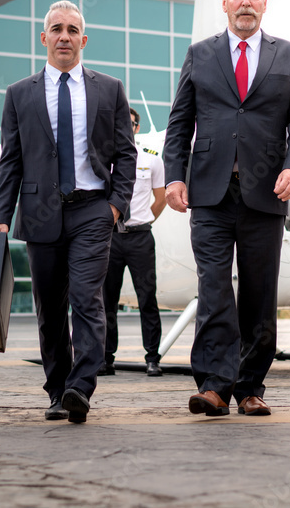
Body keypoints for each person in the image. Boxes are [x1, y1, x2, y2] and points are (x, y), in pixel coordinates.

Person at [164, 0, 290, 417]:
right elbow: (179, 122)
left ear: (264, 3)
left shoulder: (289, 55)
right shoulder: (199, 54)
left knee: (258, 293)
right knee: (213, 289)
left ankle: (251, 387)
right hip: (209, 193)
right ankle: (213, 385)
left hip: (266, 193)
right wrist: (175, 176)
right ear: (225, 2)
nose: (245, 1)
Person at [0, 0, 137, 424]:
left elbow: (125, 155)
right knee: (49, 309)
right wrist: (2, 215)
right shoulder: (19, 94)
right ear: (44, 38)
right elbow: (11, 161)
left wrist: (115, 206)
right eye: (57, 29)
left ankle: (80, 387)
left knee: (87, 299)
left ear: (83, 40)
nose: (65, 37)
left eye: (73, 30)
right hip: (39, 213)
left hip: (93, 209)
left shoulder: (108, 89)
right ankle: (57, 390)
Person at [100, 108, 166, 377]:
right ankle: (105, 359)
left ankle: (152, 358)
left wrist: (146, 220)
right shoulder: (103, 161)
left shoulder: (151, 161)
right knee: (106, 300)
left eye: (130, 124)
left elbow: (160, 199)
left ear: (137, 128)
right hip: (110, 238)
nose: (126, 127)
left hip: (140, 238)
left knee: (147, 298)